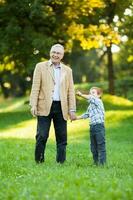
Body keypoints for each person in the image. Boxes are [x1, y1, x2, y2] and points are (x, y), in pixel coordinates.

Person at [29, 44, 76, 164]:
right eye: (53, 52)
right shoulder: (40, 67)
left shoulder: (68, 70)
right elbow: (35, 87)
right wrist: (33, 104)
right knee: (42, 135)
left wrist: (72, 109)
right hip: (43, 106)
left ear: (62, 55)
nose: (55, 55)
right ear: (50, 52)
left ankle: (61, 162)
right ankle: (39, 161)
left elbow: (71, 90)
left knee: (62, 138)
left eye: (58, 53)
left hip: (61, 107)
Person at [74, 87, 106, 165]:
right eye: (90, 92)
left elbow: (91, 98)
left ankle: (102, 164)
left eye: (93, 93)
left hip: (99, 126)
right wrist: (77, 118)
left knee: (100, 145)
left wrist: (81, 95)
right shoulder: (91, 106)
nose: (91, 94)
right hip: (92, 127)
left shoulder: (98, 101)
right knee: (93, 147)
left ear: (99, 95)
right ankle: (96, 162)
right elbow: (87, 114)